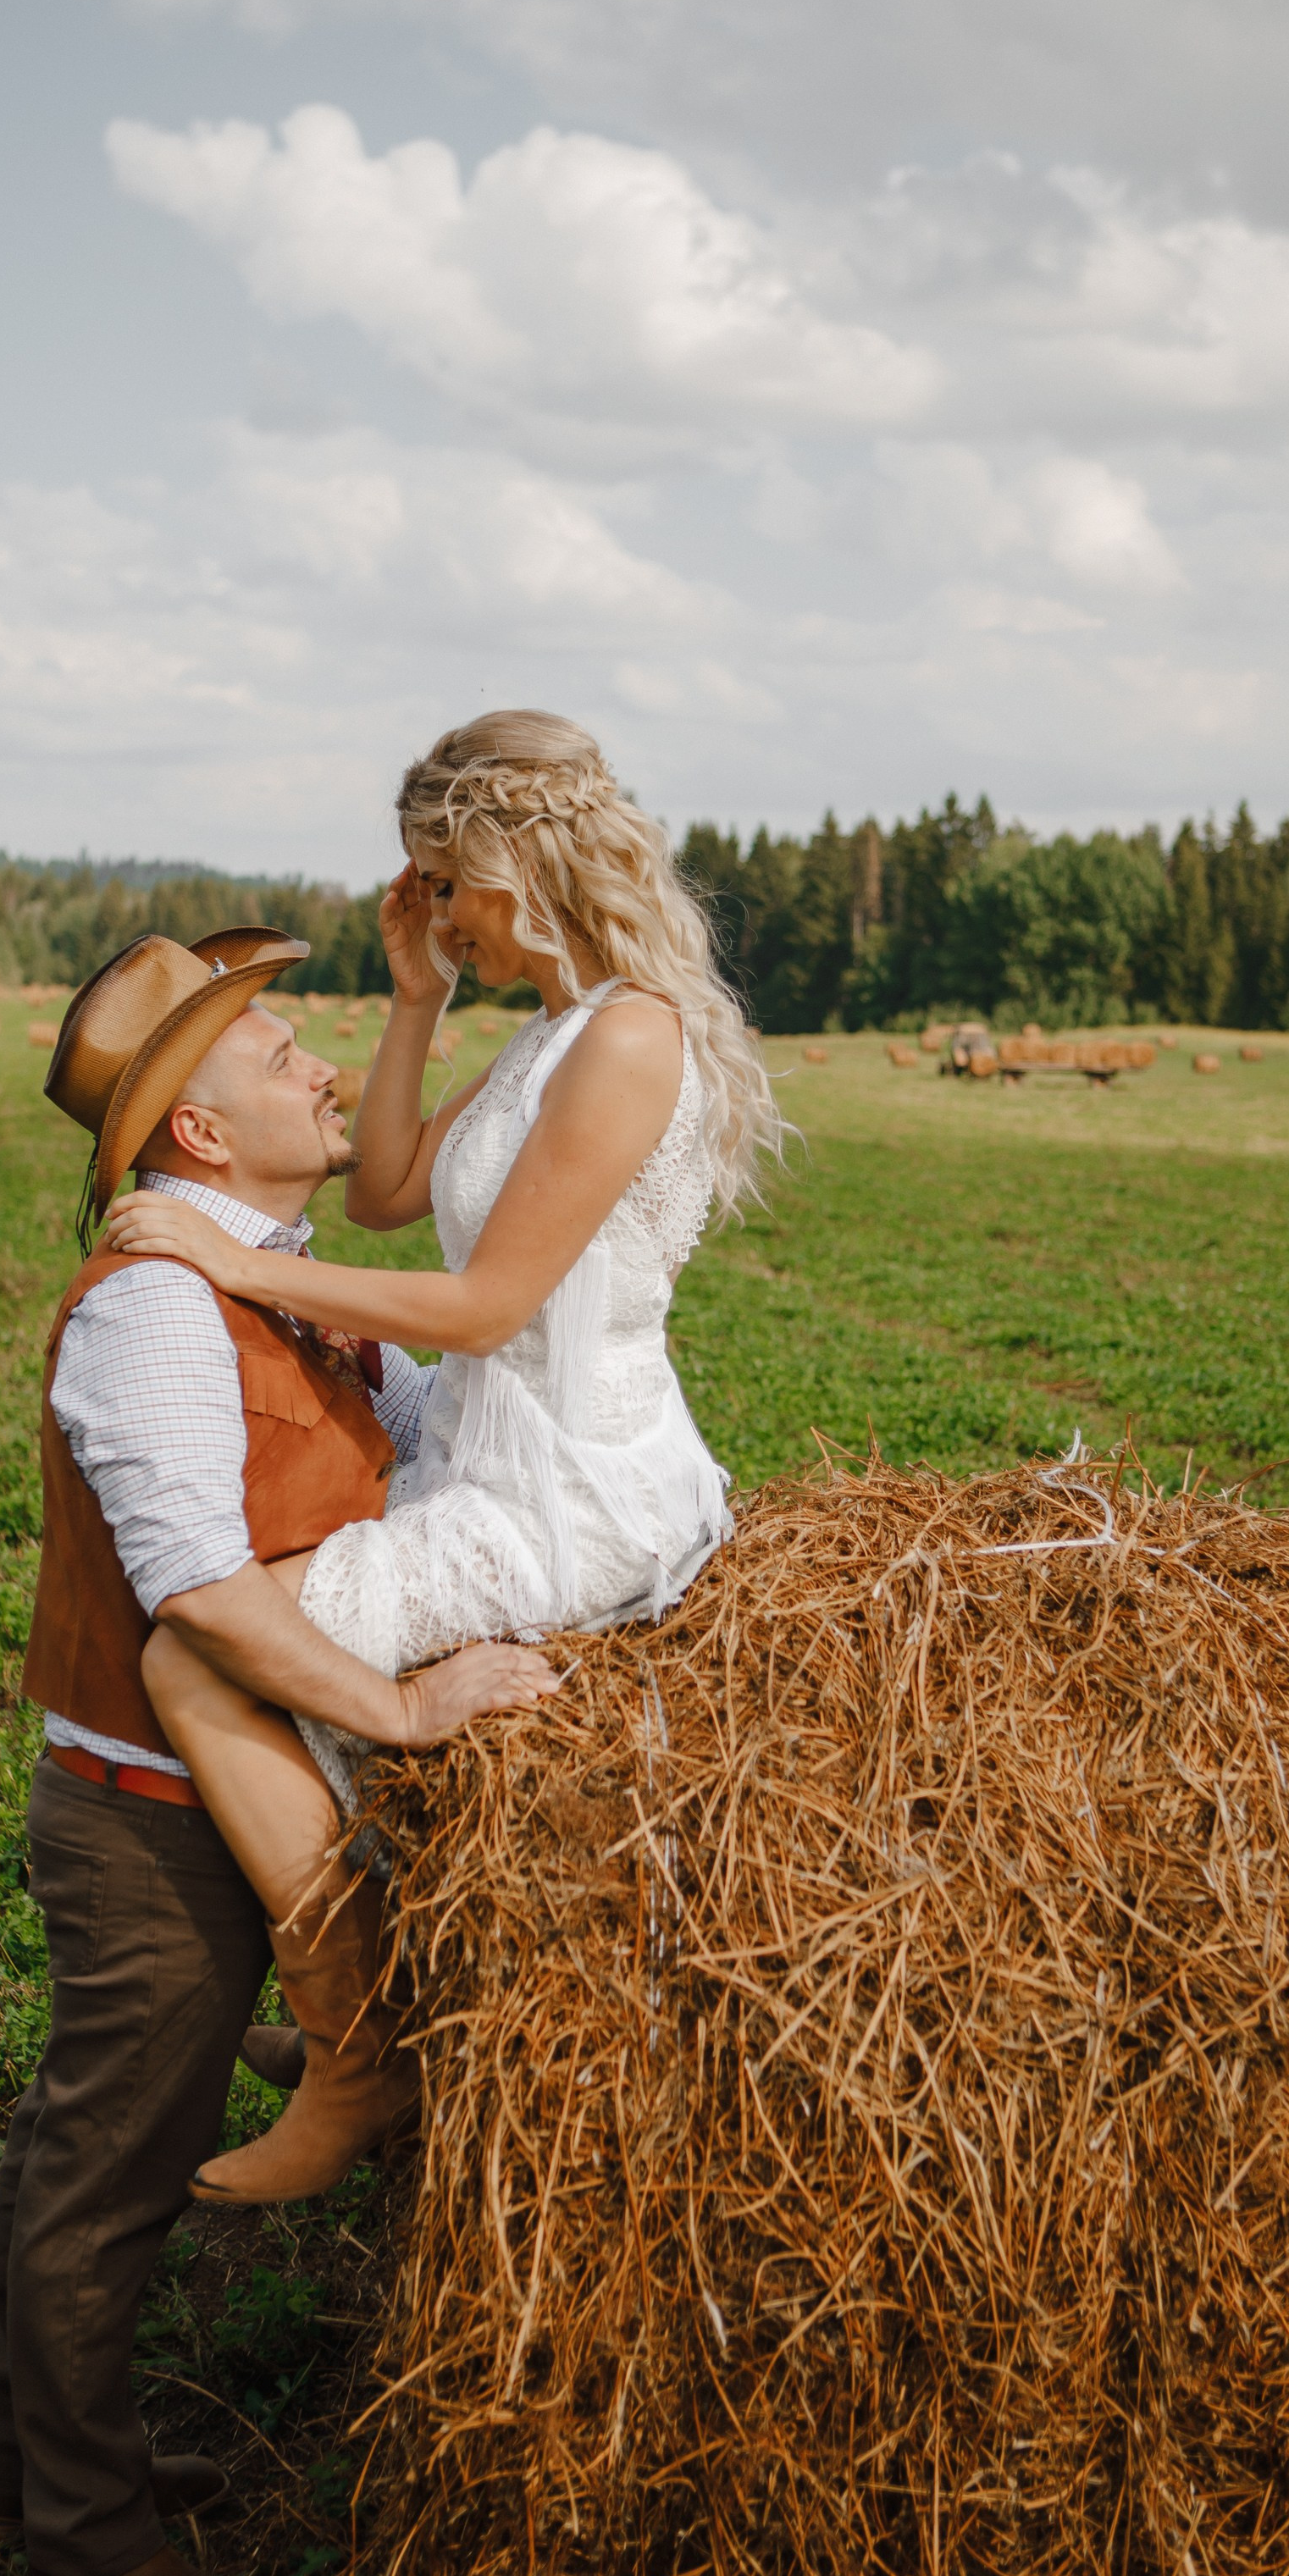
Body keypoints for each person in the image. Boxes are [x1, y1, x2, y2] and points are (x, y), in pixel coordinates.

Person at [0, 922, 554, 2576]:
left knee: (88, 2142)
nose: (322, 1068)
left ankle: (31, 2450)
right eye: (282, 1049)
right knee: (111, 2172)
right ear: (201, 1140)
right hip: (155, 1825)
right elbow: (203, 1594)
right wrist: (407, 1703)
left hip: (244, 1800)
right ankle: (86, 2539)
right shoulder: (156, 1304)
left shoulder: (278, 1281)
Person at [107, 711, 784, 2207]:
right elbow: (391, 1194)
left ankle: (362, 2056)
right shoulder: (554, 1032)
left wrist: (235, 1267)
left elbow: (483, 1306)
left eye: (444, 883)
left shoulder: (628, 1036)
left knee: (200, 1662)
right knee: (248, 1638)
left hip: (569, 1492)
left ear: (513, 861)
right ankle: (374, 1993)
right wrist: (415, 997)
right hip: (494, 1463)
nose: (439, 914)